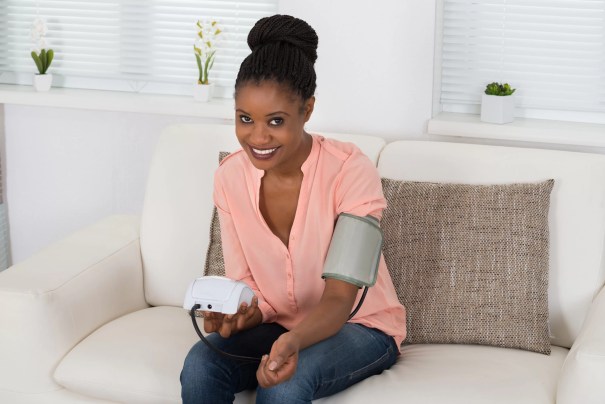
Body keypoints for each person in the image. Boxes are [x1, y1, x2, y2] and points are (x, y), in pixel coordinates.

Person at [180, 14, 406, 404]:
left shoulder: (351, 170)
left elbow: (340, 299)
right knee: (202, 363)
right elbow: (248, 283)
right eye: (245, 119)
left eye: (277, 121)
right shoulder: (229, 178)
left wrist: (293, 341)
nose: (258, 136)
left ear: (308, 109)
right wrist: (242, 315)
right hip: (281, 325)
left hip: (361, 326)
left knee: (285, 386)